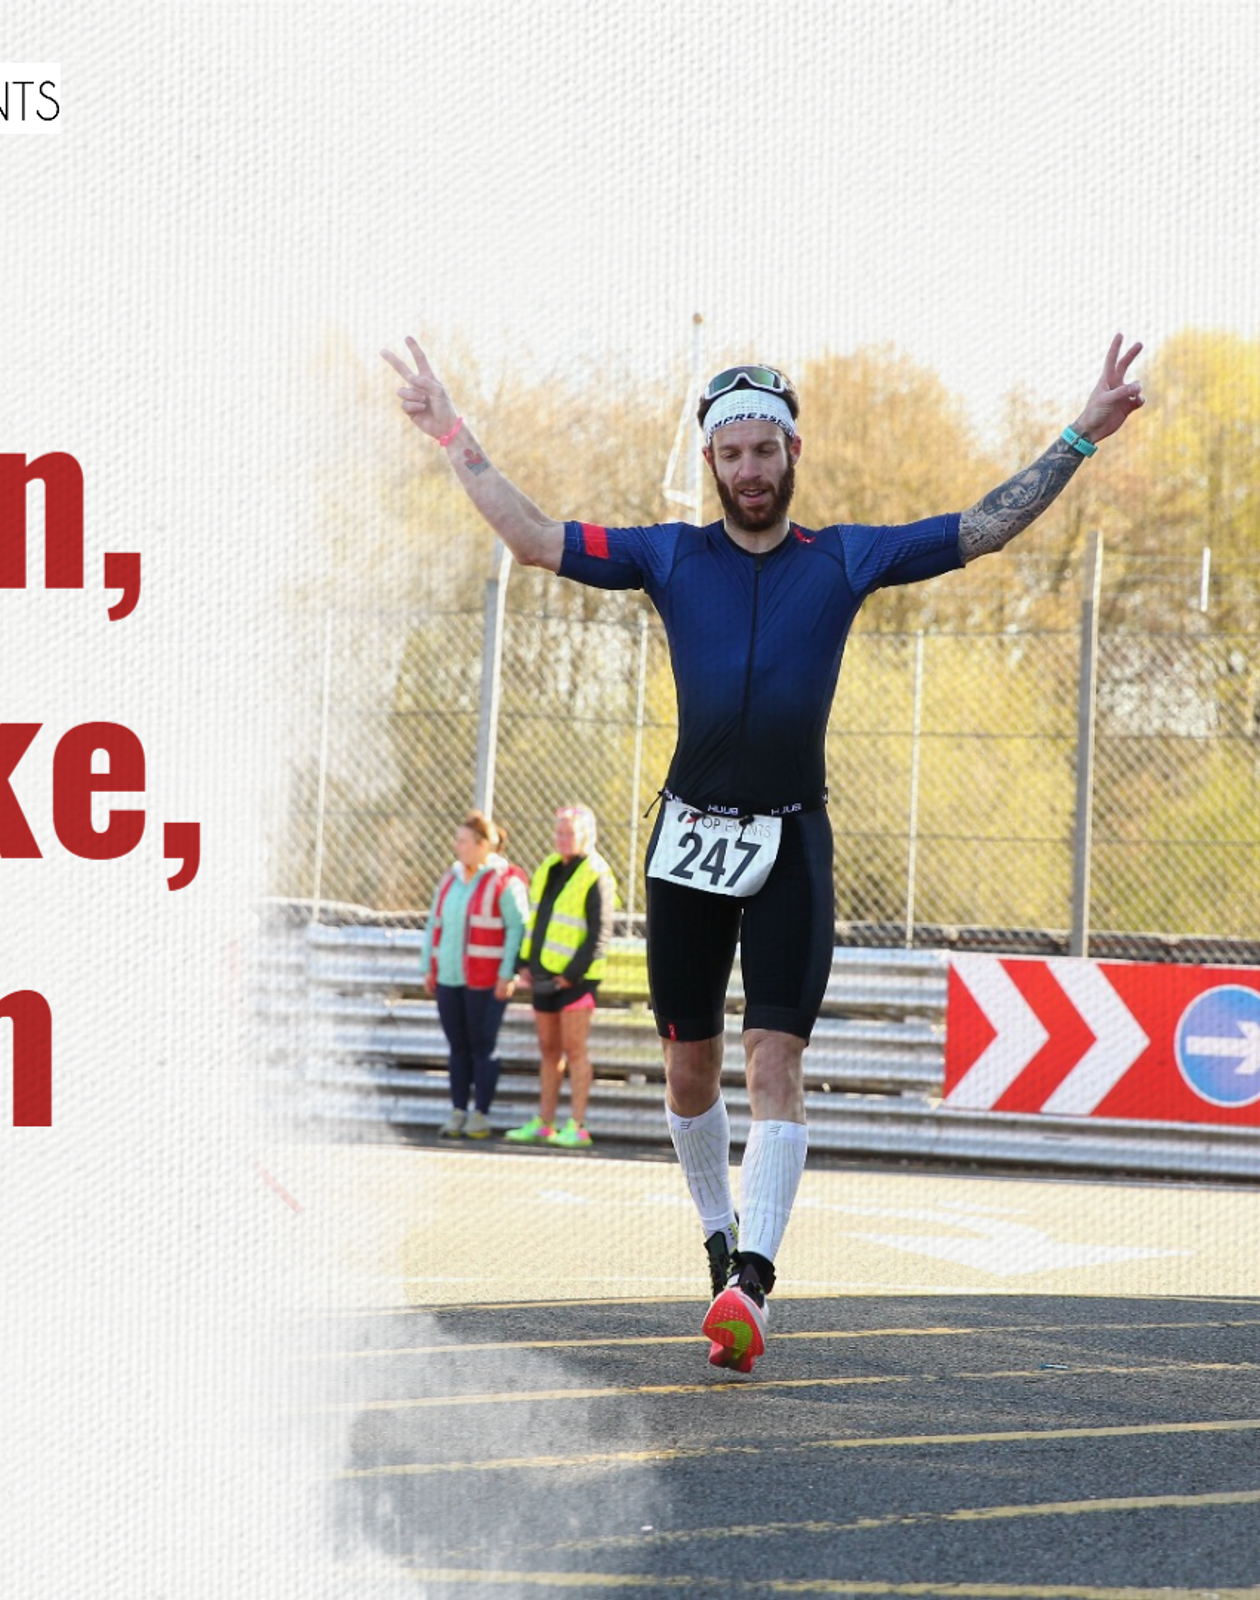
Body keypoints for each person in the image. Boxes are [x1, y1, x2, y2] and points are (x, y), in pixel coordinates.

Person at [384, 332, 1145, 1371]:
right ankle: (716, 1238)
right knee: (689, 1067)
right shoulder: (666, 556)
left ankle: (753, 1277)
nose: (749, 470)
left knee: (774, 1058)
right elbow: (531, 538)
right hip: (687, 839)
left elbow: (981, 527)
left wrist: (1079, 436)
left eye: (765, 451)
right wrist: (450, 432)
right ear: (711, 461)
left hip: (792, 835)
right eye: (732, 453)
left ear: (793, 454)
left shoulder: (842, 557)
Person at [505, 804, 618, 1149]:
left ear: (587, 835)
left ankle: (578, 1126)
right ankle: (545, 1122)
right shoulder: (548, 868)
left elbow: (600, 933)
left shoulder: (596, 873)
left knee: (575, 1051)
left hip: (576, 982)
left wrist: (572, 974)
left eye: (570, 833)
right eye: (559, 832)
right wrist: (523, 962)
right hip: (543, 978)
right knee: (548, 1050)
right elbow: (535, 920)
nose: (563, 839)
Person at [420, 809, 529, 1139]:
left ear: (483, 844)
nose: (457, 846)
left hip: (486, 979)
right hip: (450, 977)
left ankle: (480, 1114)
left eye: (463, 840)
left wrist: (506, 972)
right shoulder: (450, 878)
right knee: (457, 1047)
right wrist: (429, 966)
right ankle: (457, 1111)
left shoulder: (506, 881)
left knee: (483, 1046)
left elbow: (517, 928)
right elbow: (433, 924)